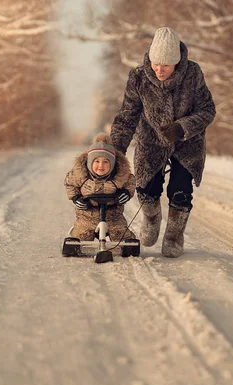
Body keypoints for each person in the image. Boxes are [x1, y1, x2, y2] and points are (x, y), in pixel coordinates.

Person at [109, 27, 216, 258]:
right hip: (151, 140)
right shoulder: (138, 77)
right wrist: (116, 149)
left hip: (187, 143)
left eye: (165, 65)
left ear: (176, 62)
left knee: (180, 191)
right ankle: (151, 217)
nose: (159, 69)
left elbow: (207, 110)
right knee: (147, 189)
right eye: (156, 64)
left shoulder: (193, 74)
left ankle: (174, 236)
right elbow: (128, 115)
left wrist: (182, 127)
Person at [64, 132, 137, 242]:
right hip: (87, 216)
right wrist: (76, 198)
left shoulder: (119, 176)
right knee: (82, 237)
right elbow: (70, 184)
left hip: (113, 216)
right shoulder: (81, 175)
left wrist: (126, 193)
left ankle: (125, 240)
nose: (101, 166)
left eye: (106, 162)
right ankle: (77, 236)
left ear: (112, 164)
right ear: (90, 162)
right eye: (97, 161)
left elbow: (130, 182)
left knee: (120, 236)